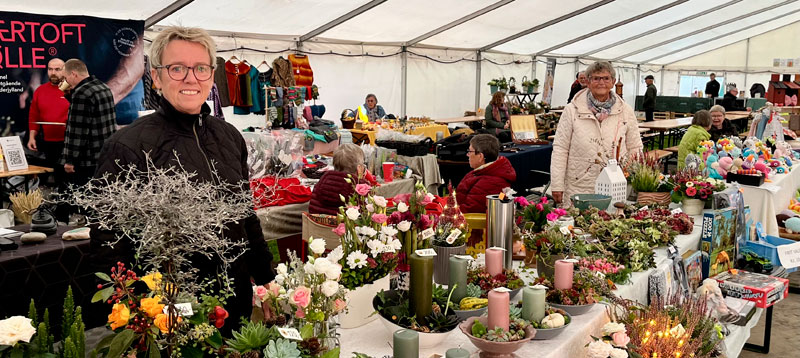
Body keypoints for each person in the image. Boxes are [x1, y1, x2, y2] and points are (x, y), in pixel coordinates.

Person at [91, 26, 274, 326]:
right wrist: (137, 313)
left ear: (211, 76)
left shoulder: (229, 136)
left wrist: (266, 279)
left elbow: (246, 216)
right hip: (173, 314)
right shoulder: (126, 147)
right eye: (177, 68)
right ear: (157, 77)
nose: (191, 78)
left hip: (235, 299)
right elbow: (109, 243)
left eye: (201, 68)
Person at [551, 61, 643, 207]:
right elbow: (561, 148)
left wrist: (631, 176)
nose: (601, 82)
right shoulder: (572, 110)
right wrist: (557, 184)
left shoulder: (625, 110)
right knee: (577, 225)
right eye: (596, 78)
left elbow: (635, 147)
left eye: (606, 78)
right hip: (579, 184)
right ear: (587, 82)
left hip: (614, 185)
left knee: (610, 225)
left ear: (613, 82)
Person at [61, 59, 117, 187]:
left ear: (74, 74)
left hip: (87, 160)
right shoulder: (103, 87)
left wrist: (70, 161)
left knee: (83, 200)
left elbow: (78, 132)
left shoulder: (82, 93)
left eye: (65, 77)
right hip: (105, 154)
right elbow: (94, 114)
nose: (65, 82)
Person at [28, 58, 69, 192]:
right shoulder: (40, 91)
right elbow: (34, 115)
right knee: (54, 176)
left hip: (69, 142)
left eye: (57, 69)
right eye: (50, 69)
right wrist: (32, 136)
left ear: (65, 70)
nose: (53, 73)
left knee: (68, 178)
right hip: (48, 142)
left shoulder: (72, 90)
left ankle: (70, 207)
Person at [456, 134, 516, 213]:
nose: (468, 155)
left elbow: (470, 210)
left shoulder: (490, 181)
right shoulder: (485, 172)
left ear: (480, 156)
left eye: (470, 151)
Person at [309, 144, 366, 216]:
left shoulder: (321, 182)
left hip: (318, 226)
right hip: (345, 227)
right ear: (359, 168)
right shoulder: (362, 190)